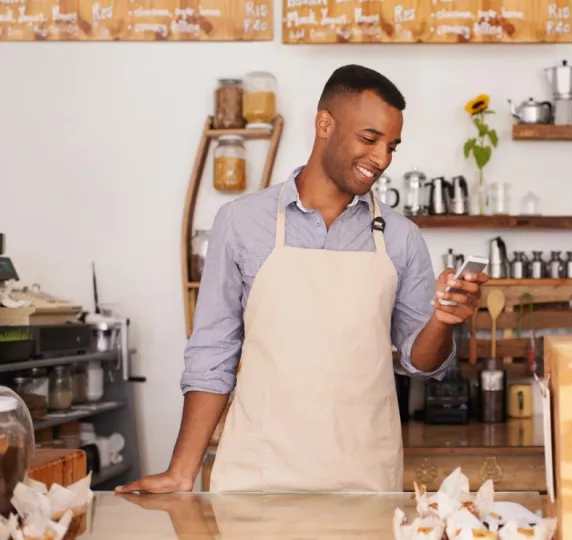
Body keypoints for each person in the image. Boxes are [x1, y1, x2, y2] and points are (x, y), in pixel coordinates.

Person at [117, 64, 488, 494]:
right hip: (255, 480)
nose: (382, 159)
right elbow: (212, 356)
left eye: (392, 147)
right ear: (324, 123)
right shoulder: (241, 223)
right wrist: (181, 473)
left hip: (364, 482)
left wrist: (443, 321)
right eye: (370, 139)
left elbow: (421, 364)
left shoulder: (402, 238)